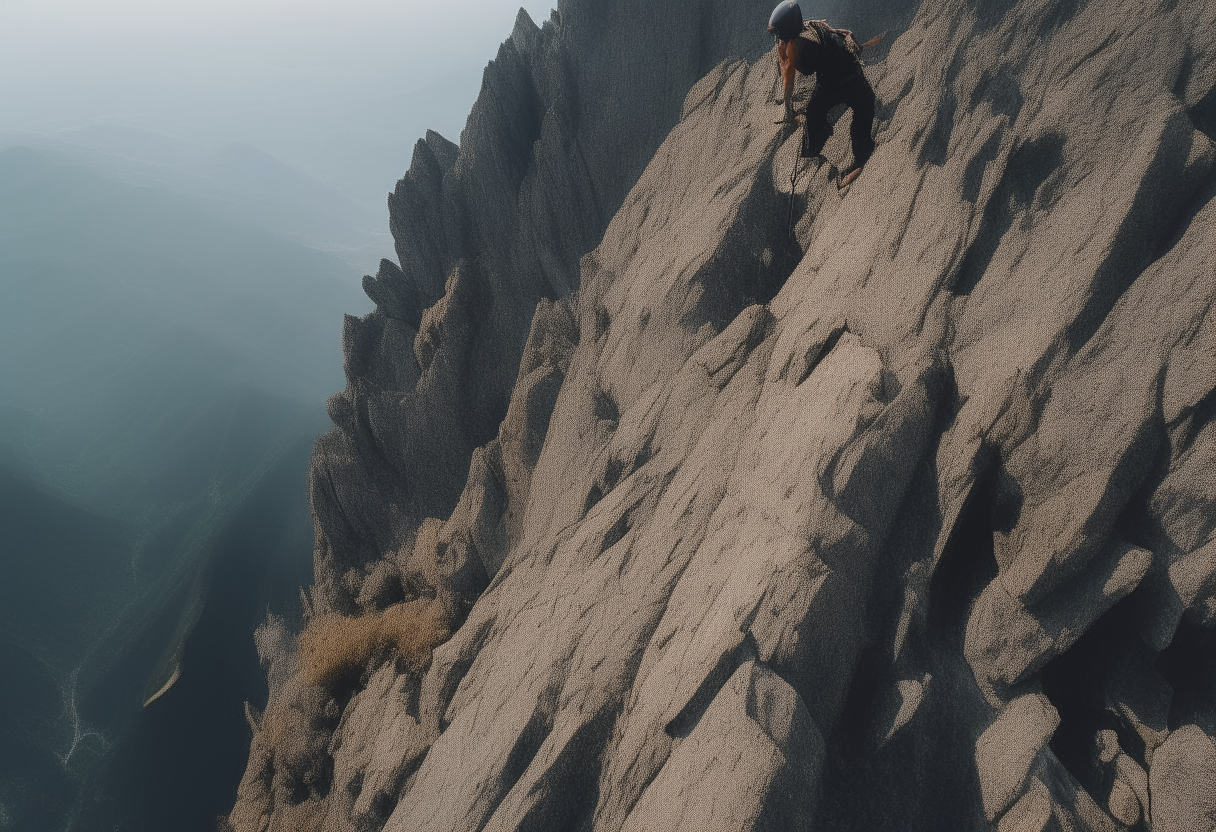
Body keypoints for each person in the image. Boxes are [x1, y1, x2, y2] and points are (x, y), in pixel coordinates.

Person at [768, 1, 878, 190]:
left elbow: (792, 78)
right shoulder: (808, 27)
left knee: (861, 119)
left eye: (779, 32)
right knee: (814, 114)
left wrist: (789, 111)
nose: (777, 37)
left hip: (849, 80)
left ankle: (859, 163)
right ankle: (815, 154)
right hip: (832, 79)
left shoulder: (797, 45)